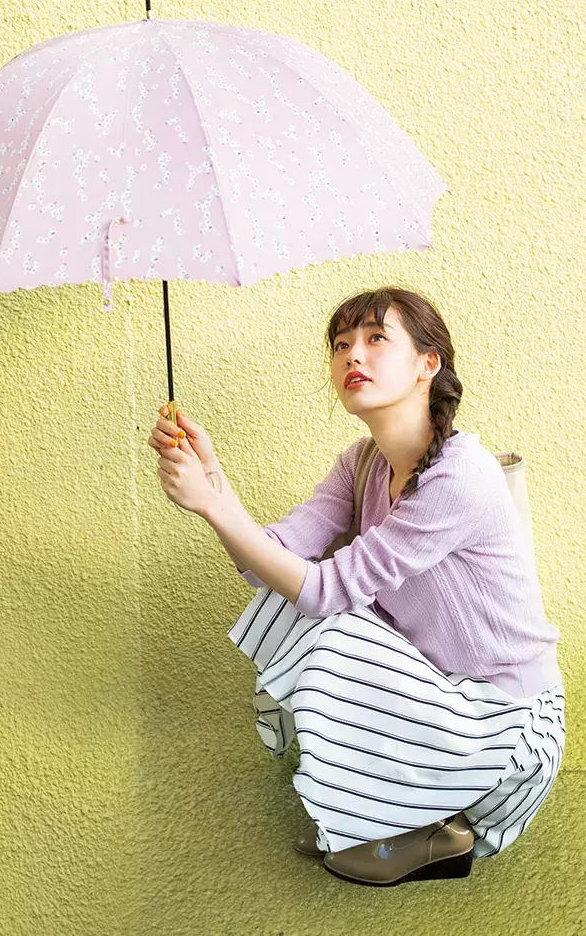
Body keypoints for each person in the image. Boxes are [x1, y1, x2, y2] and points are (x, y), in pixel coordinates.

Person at [149, 286, 565, 887]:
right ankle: (399, 818)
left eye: (375, 340)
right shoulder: (361, 462)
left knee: (331, 621)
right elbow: (278, 556)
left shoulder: (459, 474)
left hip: (510, 733)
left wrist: (215, 507)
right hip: (440, 707)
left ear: (429, 365)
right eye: (341, 345)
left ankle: (421, 820)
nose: (353, 357)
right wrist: (213, 482)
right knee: (290, 603)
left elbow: (325, 592)